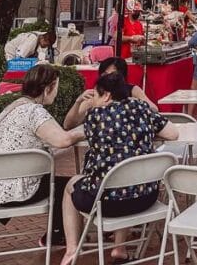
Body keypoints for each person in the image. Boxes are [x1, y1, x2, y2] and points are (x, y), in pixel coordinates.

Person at [60, 73, 178, 265]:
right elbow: (173, 133)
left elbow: (69, 126)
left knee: (72, 185)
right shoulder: (142, 108)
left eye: (95, 97)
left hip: (104, 202)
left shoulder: (94, 116)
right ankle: (119, 248)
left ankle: (72, 249)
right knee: (125, 177)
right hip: (145, 197)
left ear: (106, 95)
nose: (94, 101)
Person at [0, 66, 85, 255]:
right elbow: (62, 140)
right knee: (68, 187)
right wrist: (87, 129)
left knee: (33, 181)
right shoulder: (34, 112)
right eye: (56, 86)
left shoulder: (12, 107)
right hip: (16, 188)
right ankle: (56, 235)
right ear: (48, 88)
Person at [63, 57, 154, 130]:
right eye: (105, 74)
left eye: (113, 74)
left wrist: (135, 102)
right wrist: (78, 102)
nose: (109, 78)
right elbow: (68, 125)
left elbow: (154, 109)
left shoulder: (132, 90)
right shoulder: (95, 94)